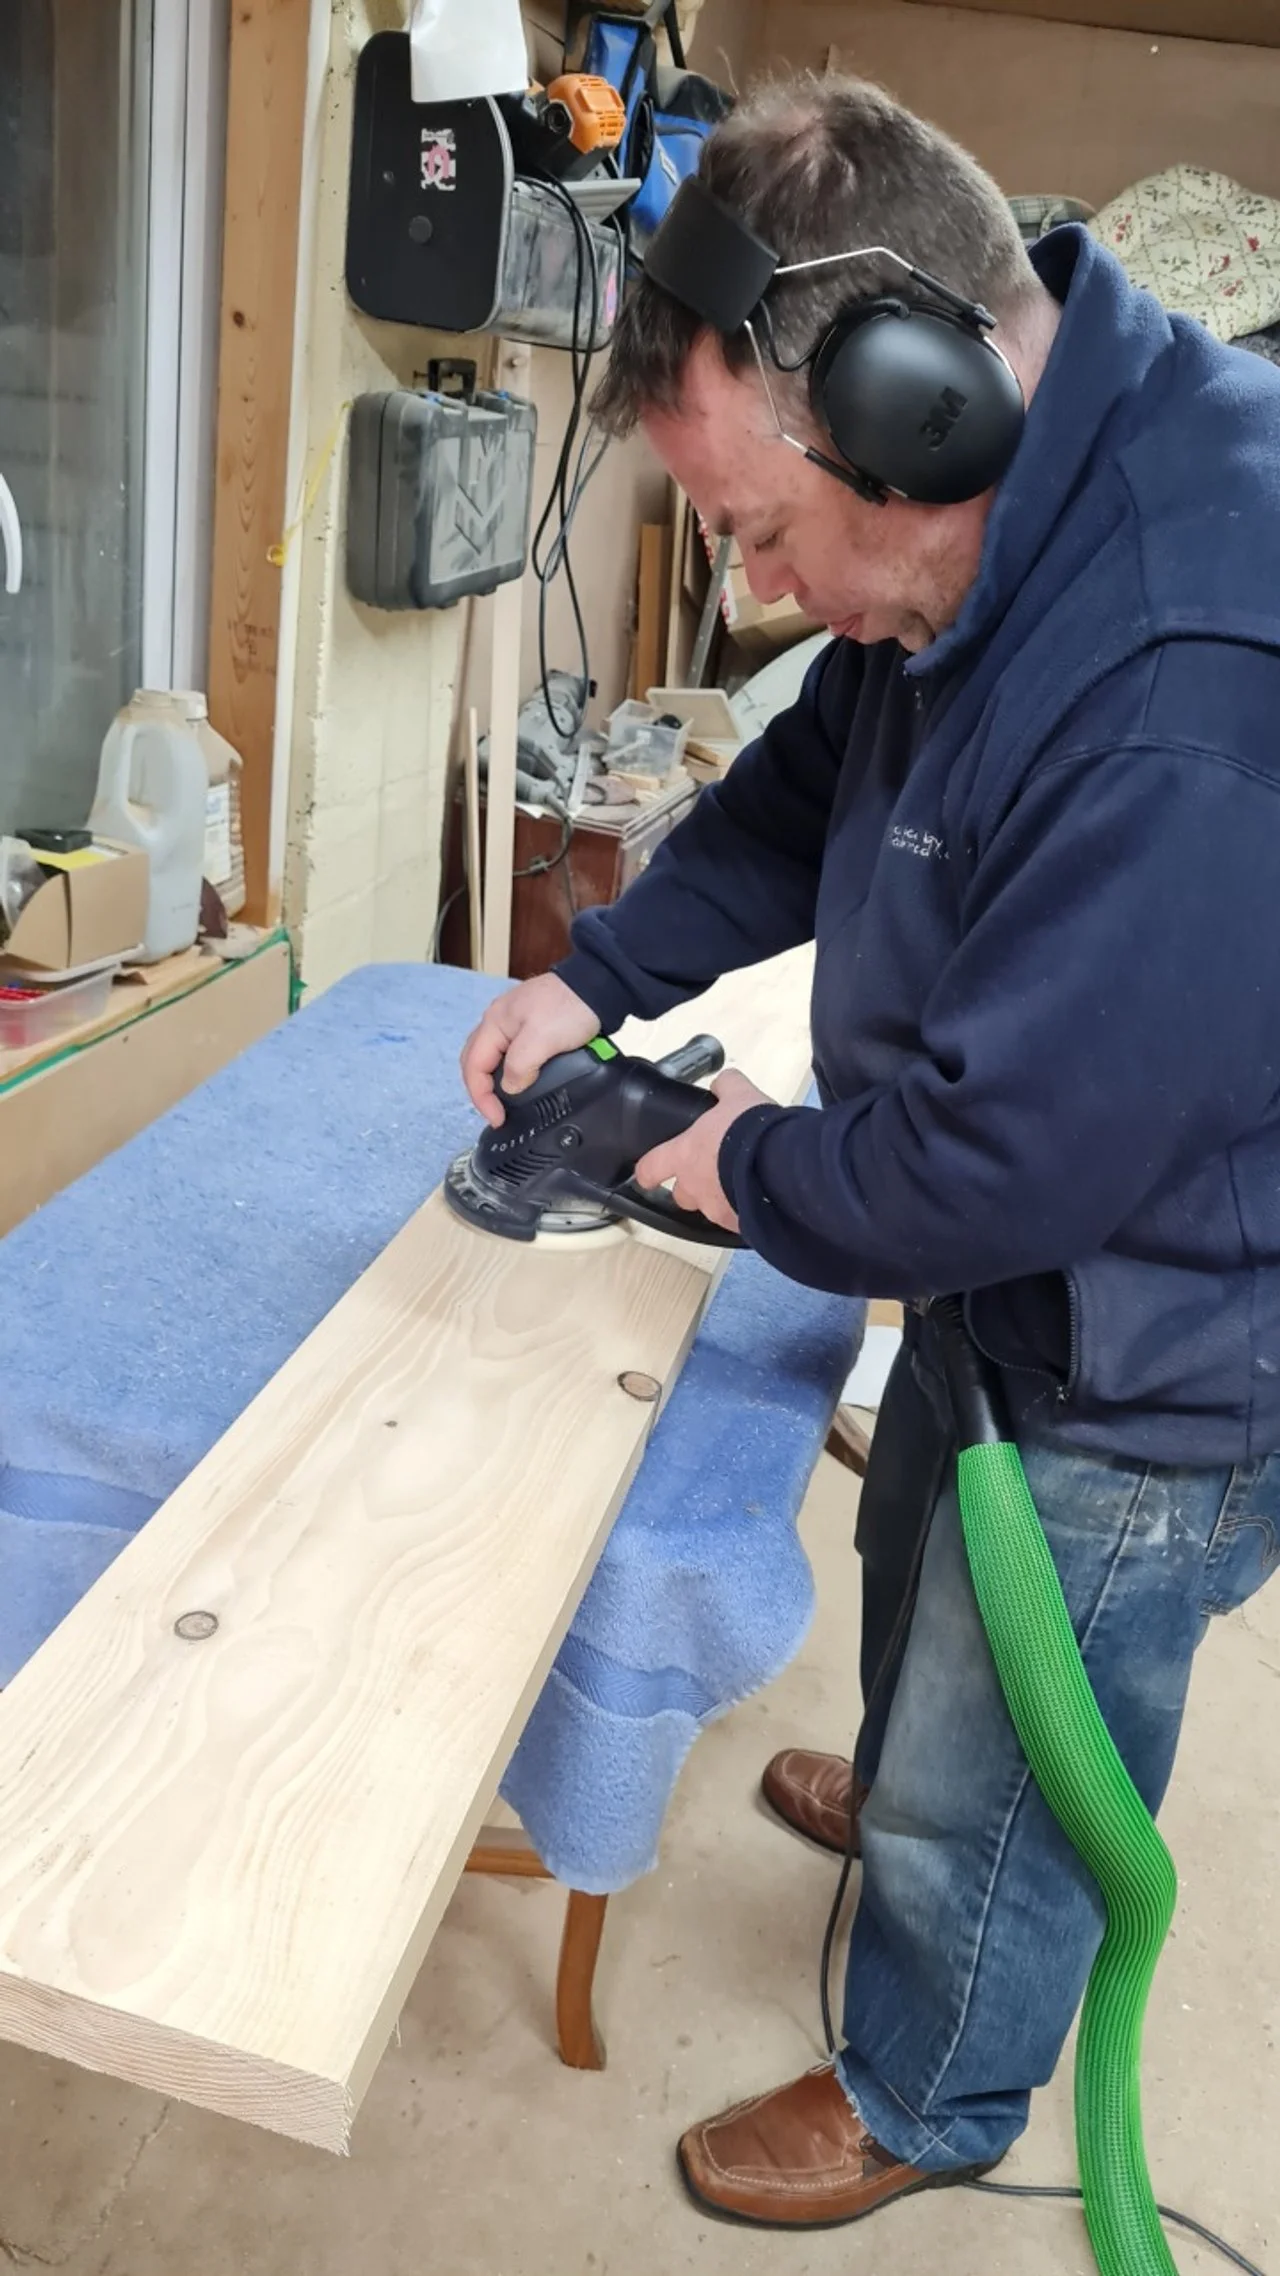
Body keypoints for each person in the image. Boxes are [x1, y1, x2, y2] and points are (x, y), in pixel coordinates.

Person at [461, 73, 1280, 2231]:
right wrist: (598, 978)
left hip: (1156, 1339)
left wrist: (735, 1160)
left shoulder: (1189, 664)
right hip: (1007, 1276)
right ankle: (928, 1784)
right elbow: (795, 790)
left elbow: (987, 1174)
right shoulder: (980, 513)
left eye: (749, 532)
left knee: (1021, 1707)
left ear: (915, 410)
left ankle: (938, 2080)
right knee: (921, 1542)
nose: (752, 587)